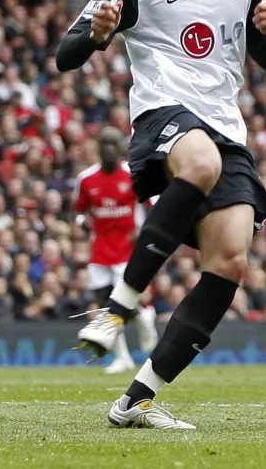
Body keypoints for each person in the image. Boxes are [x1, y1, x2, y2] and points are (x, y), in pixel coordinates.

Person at [55, 0, 266, 429]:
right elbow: (66, 55)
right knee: (200, 162)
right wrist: (97, 33)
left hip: (226, 125)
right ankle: (118, 308)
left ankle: (138, 399)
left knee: (230, 261)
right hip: (164, 114)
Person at [72, 127, 158, 375]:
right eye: (104, 144)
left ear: (121, 148)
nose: (109, 149)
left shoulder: (133, 175)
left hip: (127, 249)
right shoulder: (86, 179)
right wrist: (81, 223)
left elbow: (154, 206)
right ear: (99, 148)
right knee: (102, 304)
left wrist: (145, 236)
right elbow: (79, 210)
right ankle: (123, 356)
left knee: (119, 301)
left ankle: (143, 316)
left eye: (113, 144)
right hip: (99, 250)